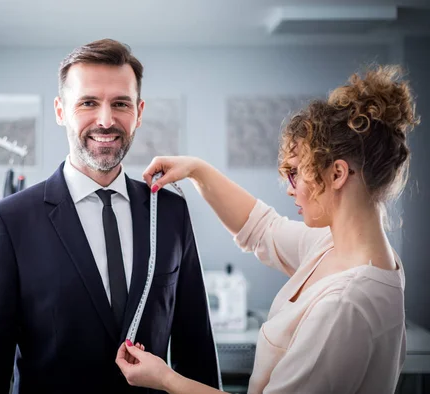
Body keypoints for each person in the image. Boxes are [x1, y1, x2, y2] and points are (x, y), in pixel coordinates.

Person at [115, 65, 419, 394]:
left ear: (337, 174)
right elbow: (262, 228)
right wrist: (197, 170)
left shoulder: (346, 305)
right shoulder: (337, 247)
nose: (290, 189)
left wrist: (165, 379)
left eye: (295, 174)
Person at [0, 38, 221, 393]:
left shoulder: (170, 213)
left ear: (139, 113)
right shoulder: (8, 223)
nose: (106, 119)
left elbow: (197, 353)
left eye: (120, 104)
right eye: (88, 103)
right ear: (60, 110)